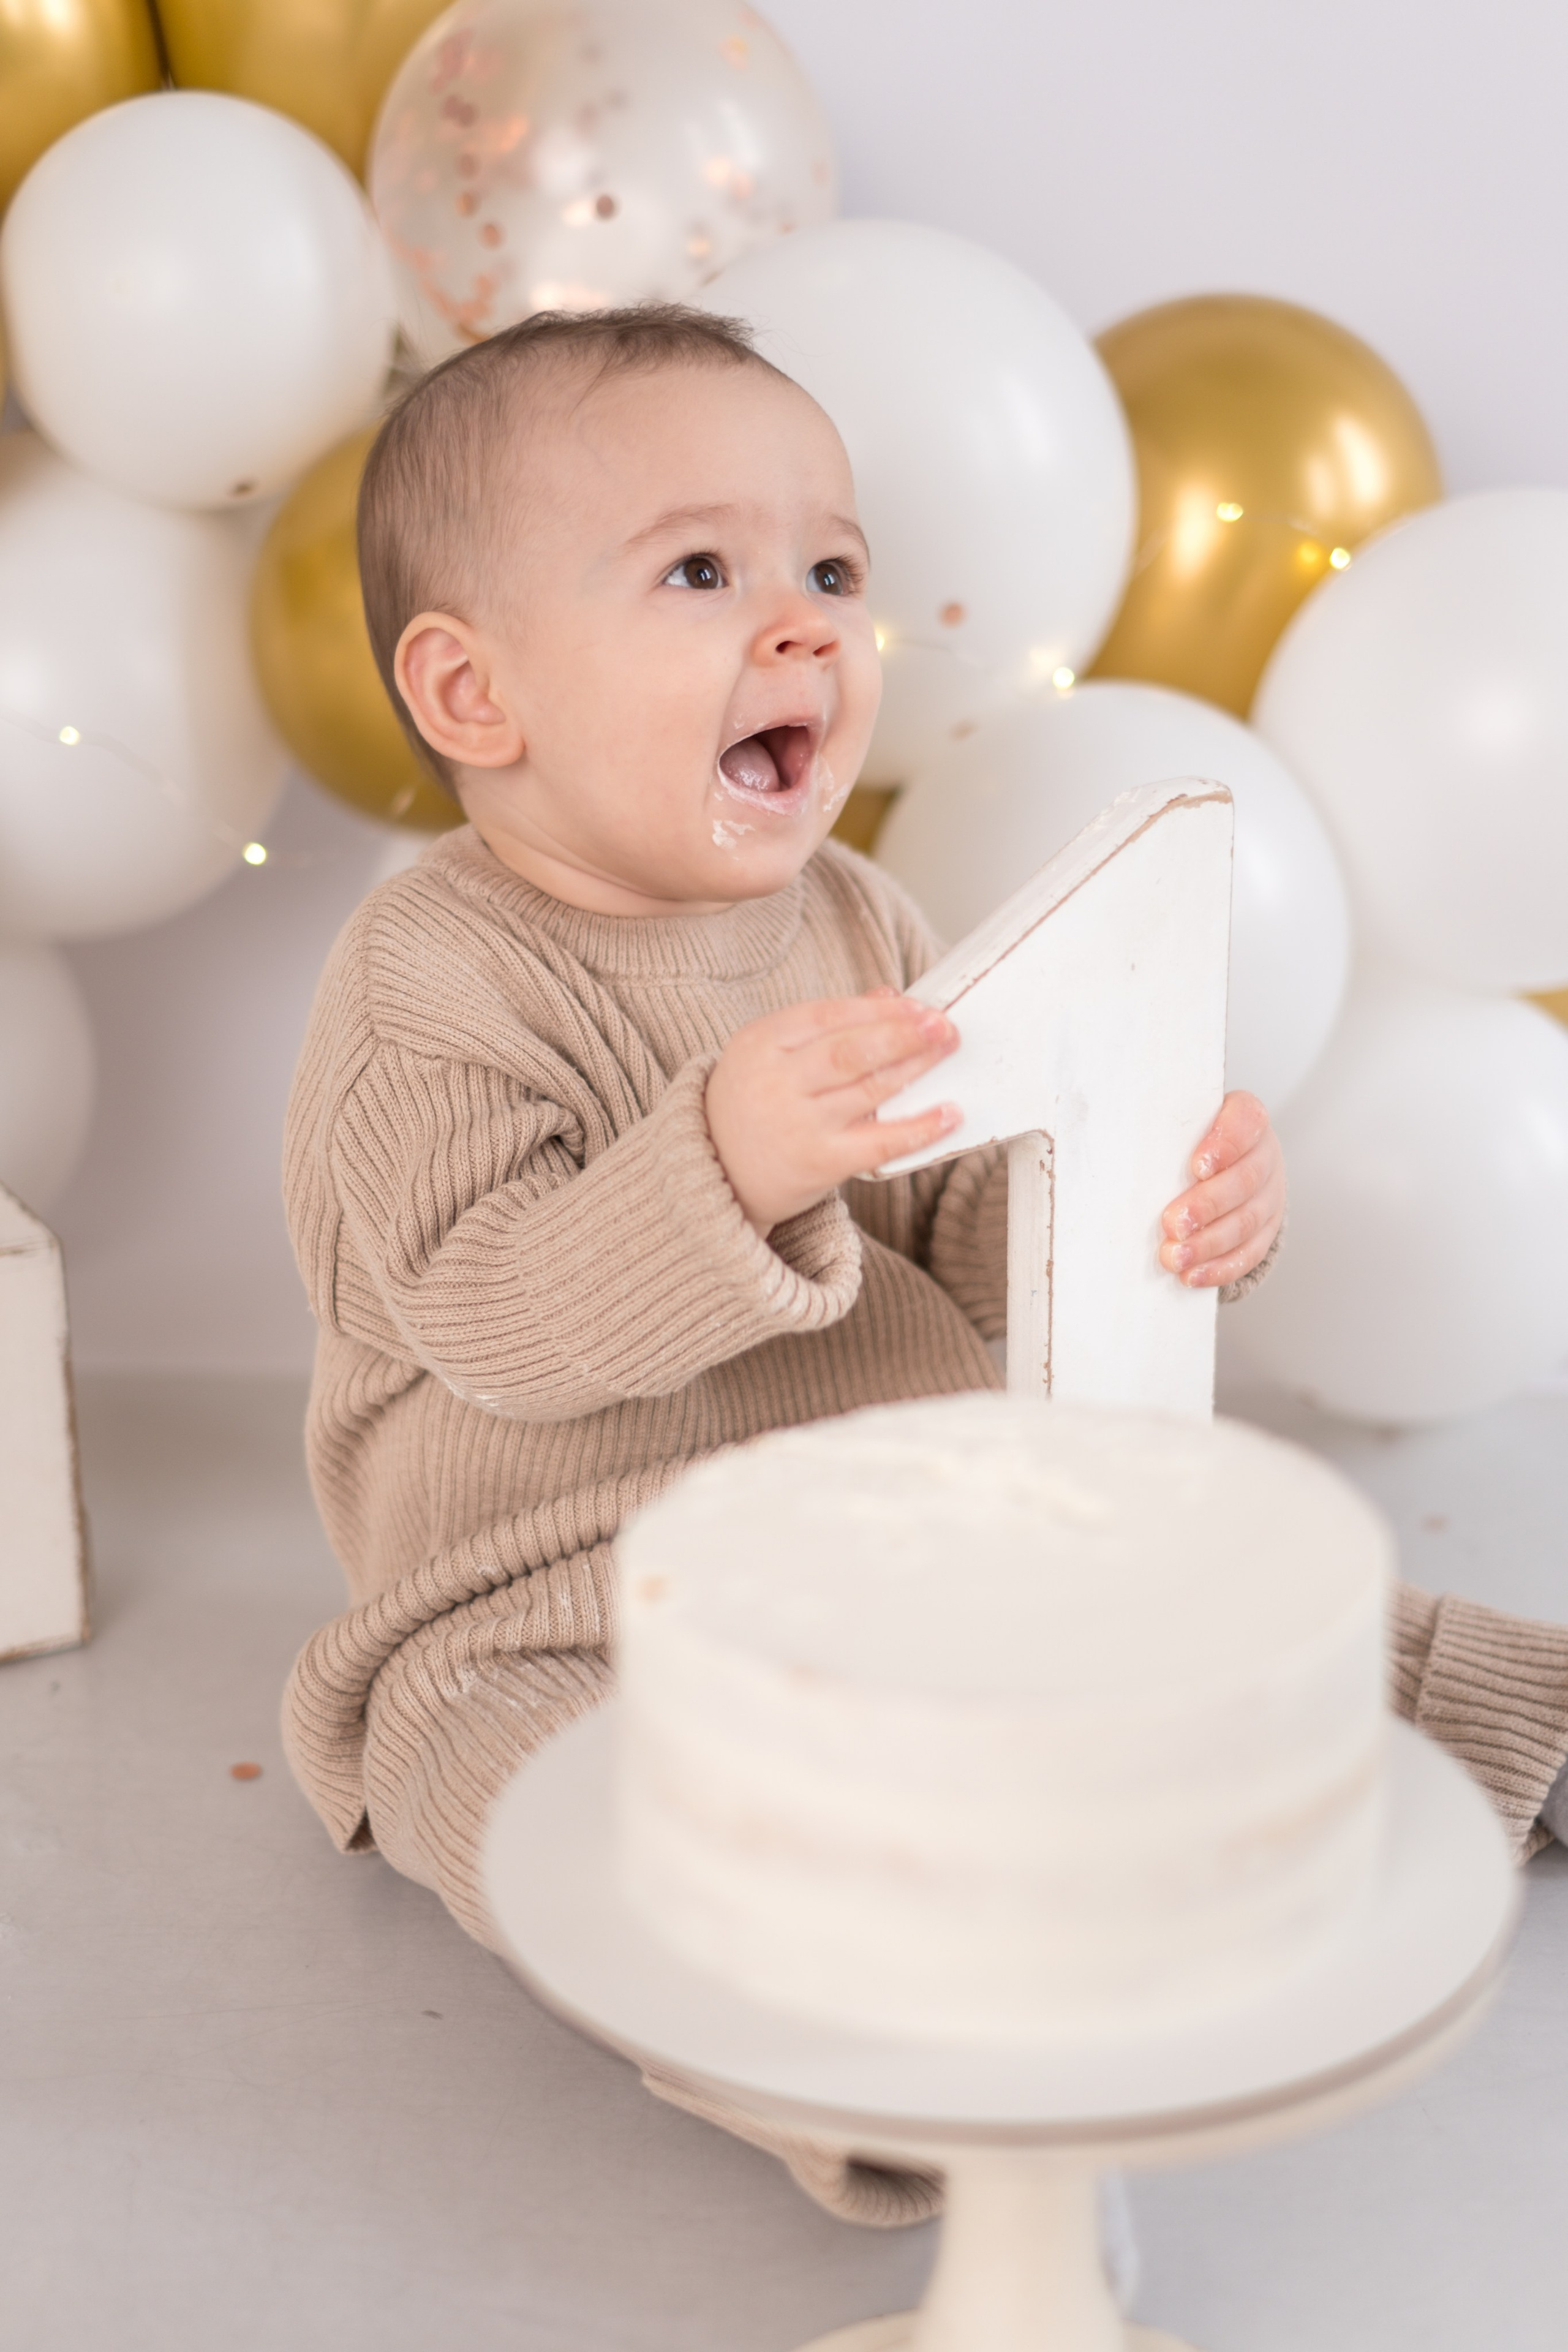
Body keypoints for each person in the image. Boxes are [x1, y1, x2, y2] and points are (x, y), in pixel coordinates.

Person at [282, 304, 1568, 2226]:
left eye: (834, 569)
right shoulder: (430, 985)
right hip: (552, 1582)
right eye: (702, 571)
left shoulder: (854, 914)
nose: (803, 621)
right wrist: (723, 1156)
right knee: (563, 1798)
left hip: (887, 1515)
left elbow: (952, 1219)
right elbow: (491, 1320)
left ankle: (1513, 1732)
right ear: (477, 696)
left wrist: (1164, 1202)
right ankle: (858, 2060)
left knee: (1197, 1604)